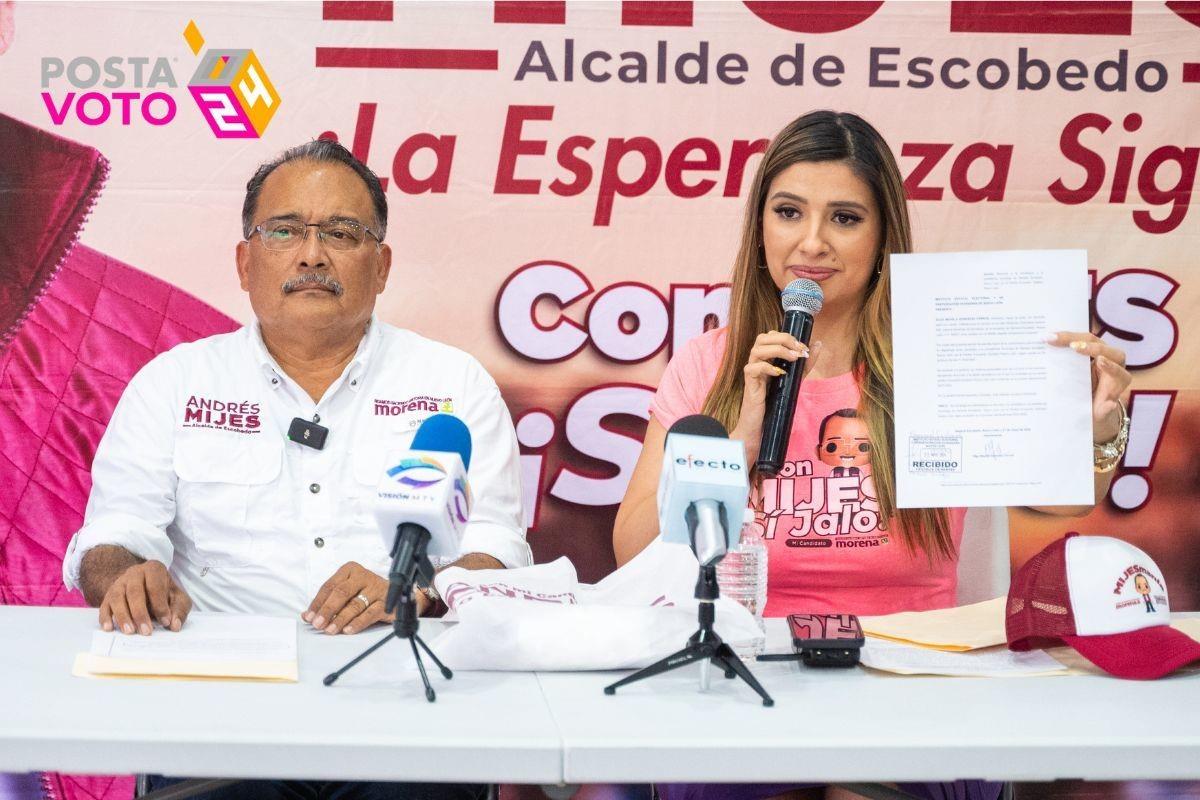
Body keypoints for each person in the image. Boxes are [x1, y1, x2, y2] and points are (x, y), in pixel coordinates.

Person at [612, 111, 1131, 800]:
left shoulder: (941, 355)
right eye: (789, 211)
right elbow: (633, 549)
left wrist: (1096, 434)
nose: (813, 242)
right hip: (748, 668)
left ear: (885, 233)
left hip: (912, 676)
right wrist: (734, 447)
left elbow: (1063, 498)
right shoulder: (710, 362)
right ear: (759, 224)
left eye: (846, 218)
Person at [61, 139, 529, 800]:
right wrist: (126, 575)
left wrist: (415, 591)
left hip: (406, 705)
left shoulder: (451, 384)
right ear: (245, 260)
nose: (313, 254)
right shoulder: (174, 382)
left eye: (341, 232)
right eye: (284, 231)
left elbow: (499, 552)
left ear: (383, 265)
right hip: (219, 713)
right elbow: (115, 532)